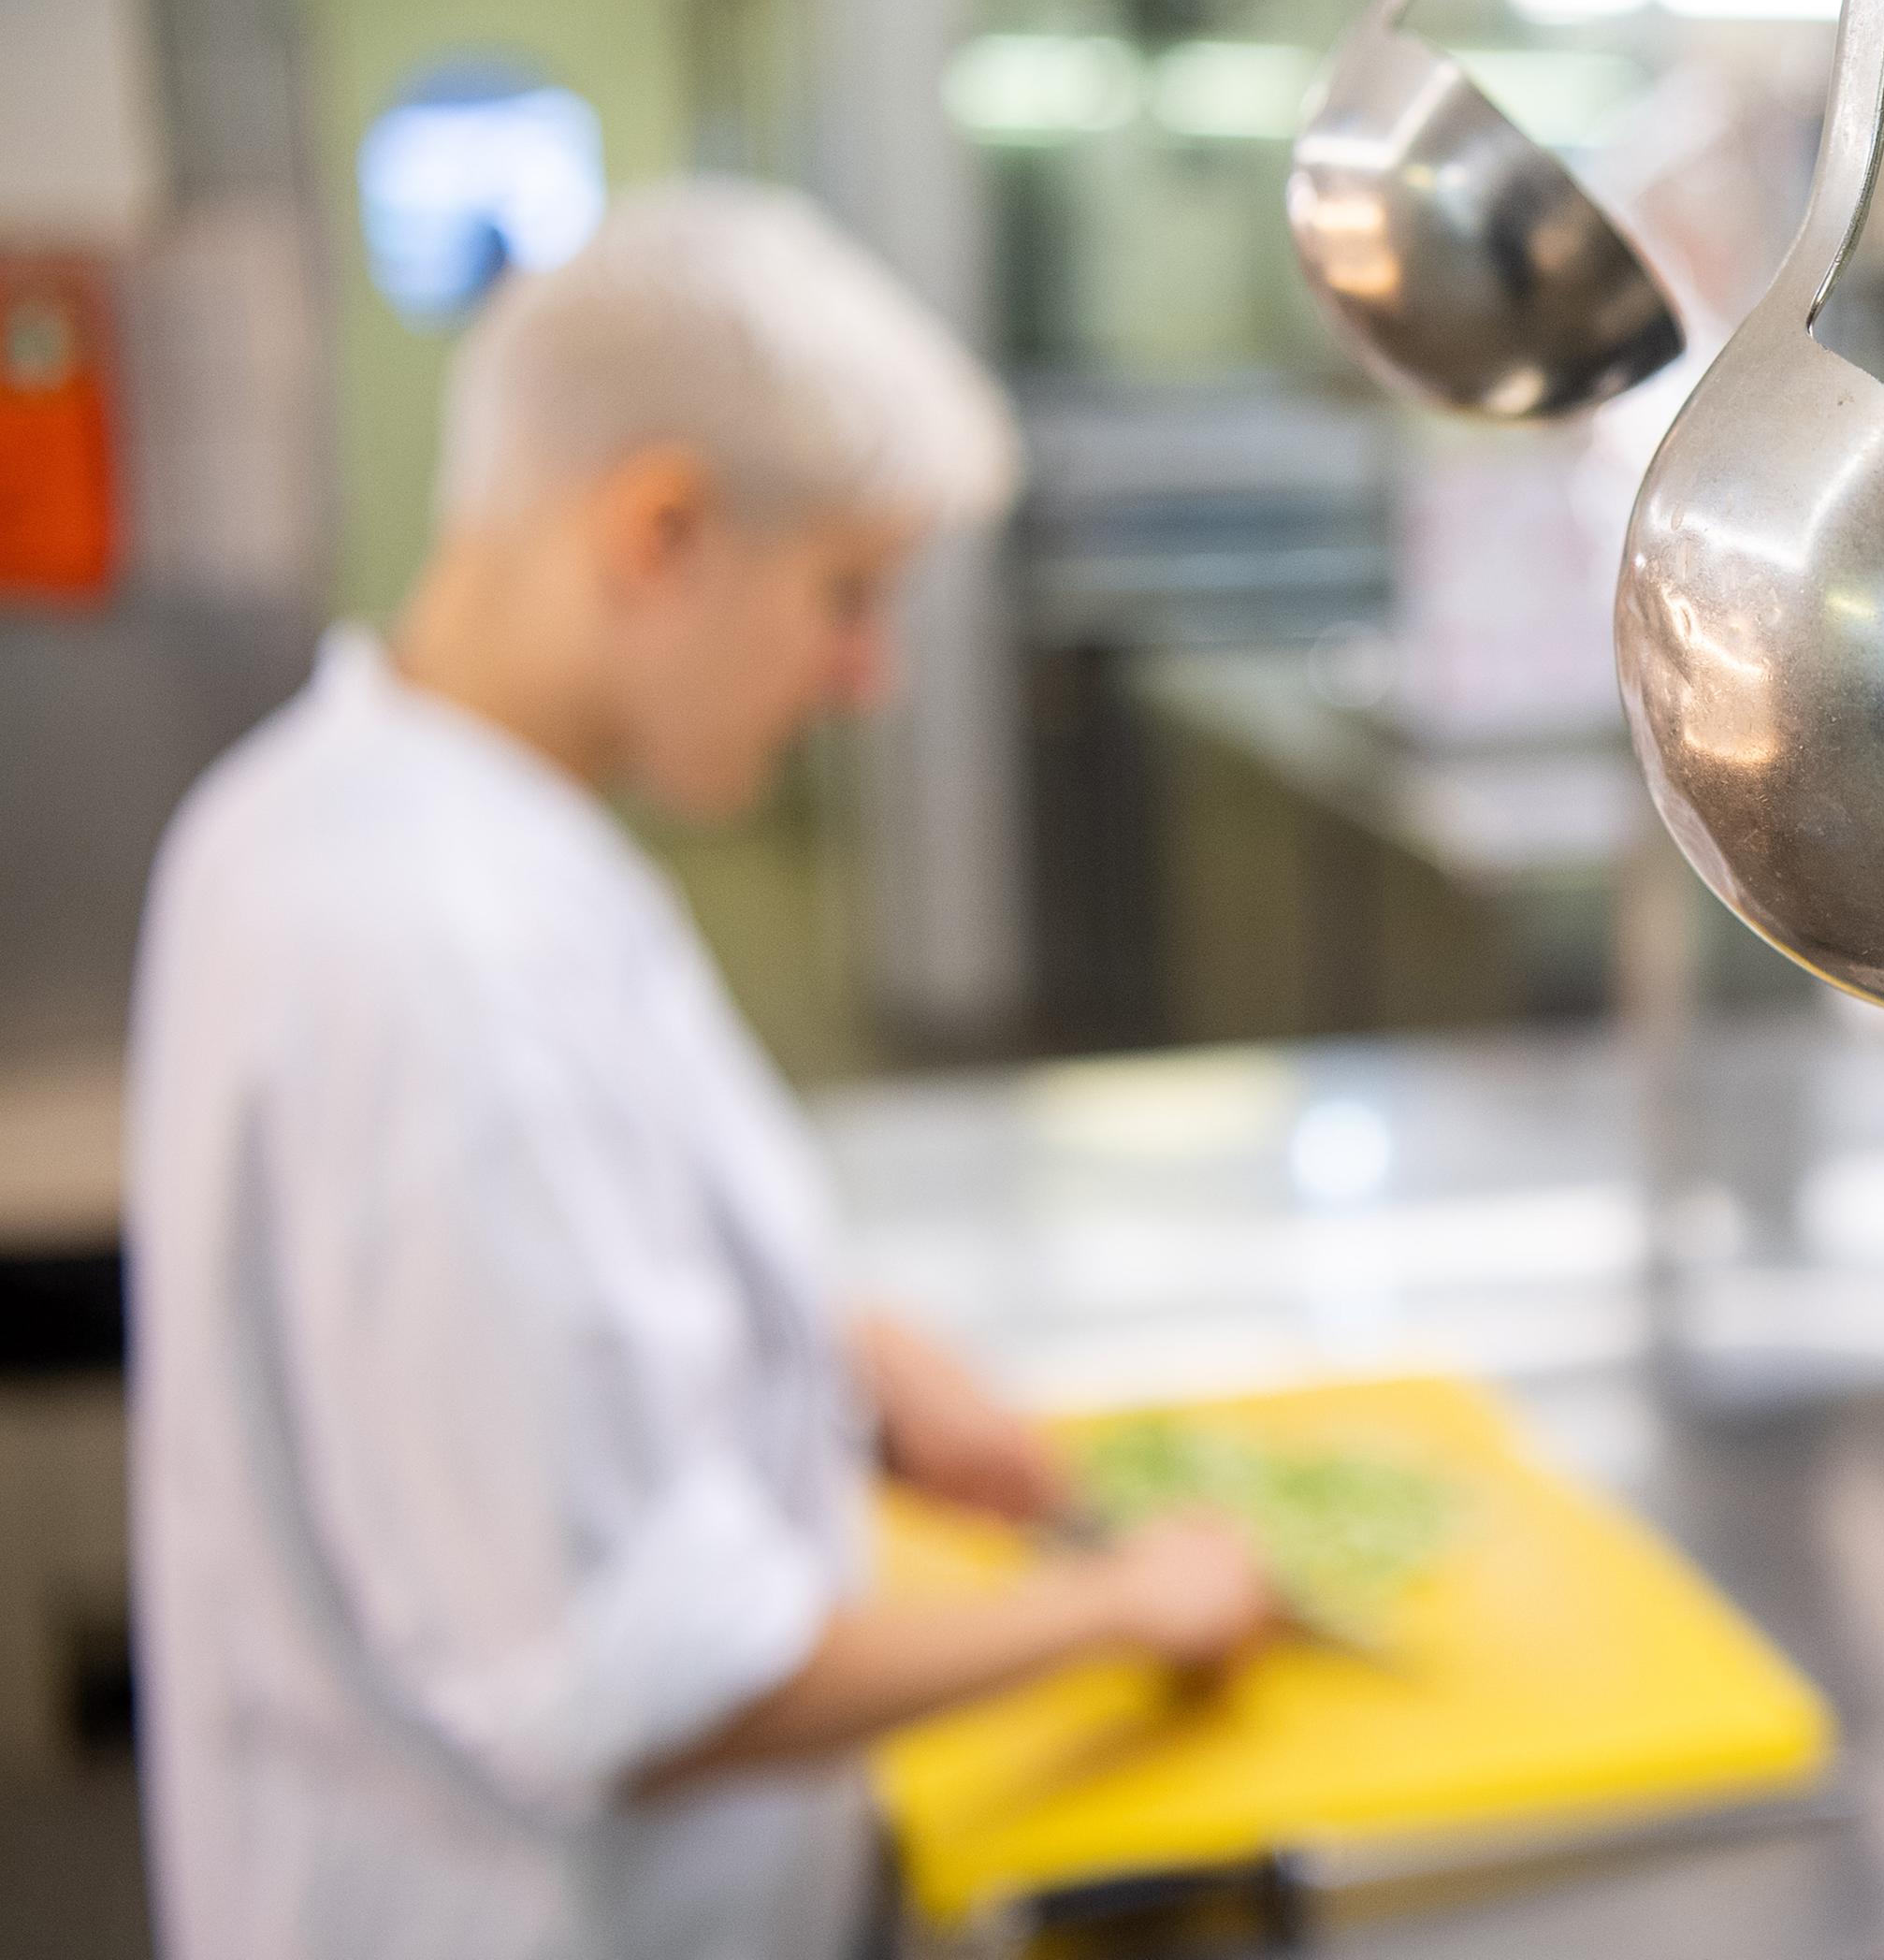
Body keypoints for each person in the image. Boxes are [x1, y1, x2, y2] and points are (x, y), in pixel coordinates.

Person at [123, 180, 1272, 1960]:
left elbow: (503, 1321)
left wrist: (830, 1355)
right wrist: (1129, 1602)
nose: (869, 677)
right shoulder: (436, 959)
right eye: (848, 595)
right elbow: (635, 1687)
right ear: (659, 530)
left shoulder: (339, 809)